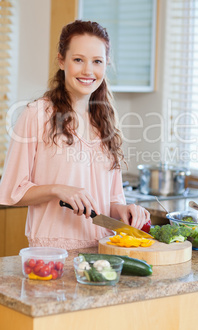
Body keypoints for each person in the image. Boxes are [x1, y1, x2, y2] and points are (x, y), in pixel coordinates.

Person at [0, 20, 150, 250]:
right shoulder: (38, 114)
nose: (88, 71)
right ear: (62, 61)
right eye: (78, 60)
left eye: (97, 61)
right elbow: (12, 192)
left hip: (103, 250)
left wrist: (125, 211)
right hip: (52, 253)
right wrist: (57, 189)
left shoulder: (106, 120)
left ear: (105, 64)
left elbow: (111, 200)